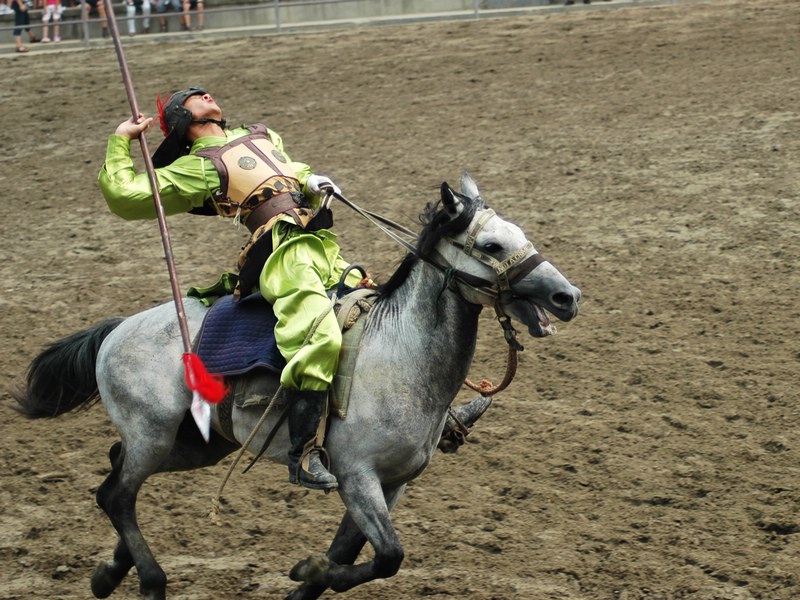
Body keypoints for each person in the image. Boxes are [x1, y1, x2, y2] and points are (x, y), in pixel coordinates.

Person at [98, 87, 357, 491]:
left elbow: (291, 169)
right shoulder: (197, 166)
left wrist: (310, 179)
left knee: (373, 309)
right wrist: (121, 141)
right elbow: (127, 194)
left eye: (204, 91)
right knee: (318, 337)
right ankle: (303, 454)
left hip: (323, 245)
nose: (204, 93)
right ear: (182, 121)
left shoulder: (261, 136)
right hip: (281, 257)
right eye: (192, 96)